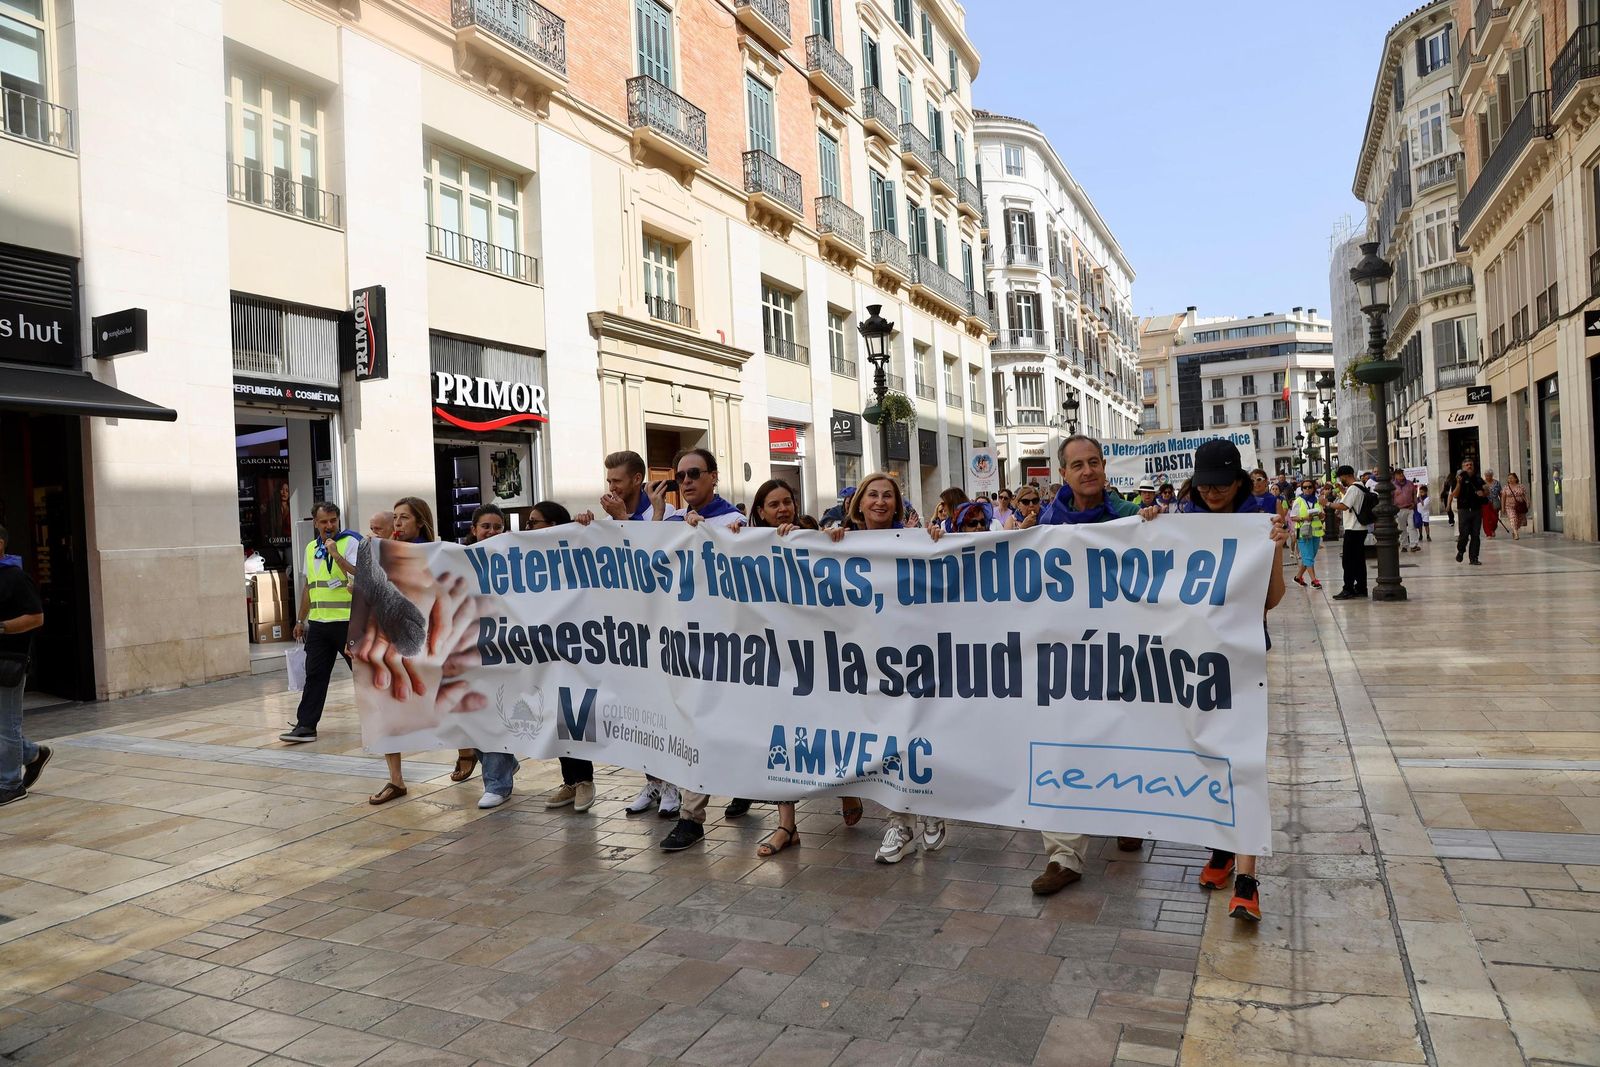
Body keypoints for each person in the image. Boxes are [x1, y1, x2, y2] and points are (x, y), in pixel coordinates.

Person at [1028, 435, 1162, 895]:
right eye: (1077, 465)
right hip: (1066, 653)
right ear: (1063, 473)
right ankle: (1064, 856)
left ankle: (1127, 816)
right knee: (1062, 745)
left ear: (1105, 468)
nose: (1087, 471)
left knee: (1121, 736)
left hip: (1122, 649)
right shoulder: (1046, 523)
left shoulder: (1130, 517)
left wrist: (1153, 525)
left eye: (1094, 462)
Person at [1179, 440, 1288, 922]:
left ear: (1240, 481)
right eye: (1205, 481)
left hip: (1240, 661)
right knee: (1204, 756)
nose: (1213, 490)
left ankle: (1247, 876)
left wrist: (1276, 550)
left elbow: (1272, 600)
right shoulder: (1182, 522)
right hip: (1189, 661)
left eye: (1222, 481)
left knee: (1241, 761)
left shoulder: (1257, 524)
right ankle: (1221, 850)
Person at [818, 473, 937, 864]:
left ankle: (914, 813)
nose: (881, 502)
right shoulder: (840, 541)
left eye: (888, 496)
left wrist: (939, 541)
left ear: (898, 506)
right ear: (859, 502)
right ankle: (907, 818)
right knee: (882, 740)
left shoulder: (917, 542)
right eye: (873, 495)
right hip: (862, 662)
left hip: (909, 657)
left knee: (910, 733)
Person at [577, 450, 681, 818]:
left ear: (637, 479)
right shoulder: (609, 517)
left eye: (617, 481)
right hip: (628, 632)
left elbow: (653, 562)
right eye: (608, 482)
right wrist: (588, 526)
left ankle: (672, 785)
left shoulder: (665, 513)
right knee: (638, 712)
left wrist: (622, 521)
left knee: (664, 709)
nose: (611, 487)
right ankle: (652, 781)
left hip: (664, 630)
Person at [659, 448, 748, 852]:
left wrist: (704, 533)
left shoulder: (735, 521)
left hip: (728, 644)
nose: (687, 482)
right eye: (681, 477)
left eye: (695, 473)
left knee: (731, 725)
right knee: (693, 726)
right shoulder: (670, 522)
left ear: (714, 476)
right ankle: (691, 817)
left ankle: (744, 784)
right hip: (682, 644)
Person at [368, 496, 440, 804]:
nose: (397, 524)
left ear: (420, 522)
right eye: (395, 518)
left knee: (445, 701)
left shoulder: (437, 554)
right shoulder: (382, 554)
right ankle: (395, 779)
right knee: (386, 705)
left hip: (429, 639)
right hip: (390, 640)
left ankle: (468, 751)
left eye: (404, 518)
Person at [278, 503, 362, 744]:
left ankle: (382, 719)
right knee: (314, 675)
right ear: (315, 523)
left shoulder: (351, 542)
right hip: (319, 624)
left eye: (333, 520)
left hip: (347, 623)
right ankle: (306, 725)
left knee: (362, 674)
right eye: (324, 521)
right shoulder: (310, 548)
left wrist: (336, 554)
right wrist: (300, 620)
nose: (329, 526)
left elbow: (358, 573)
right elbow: (309, 586)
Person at [0, 526, 47, 807]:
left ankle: (10, 784)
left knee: (7, 725)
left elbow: (37, 617)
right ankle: (32, 754)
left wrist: (2, 628)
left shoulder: (16, 578)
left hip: (9, 663)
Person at [1328, 466, 1370, 600]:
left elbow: (1344, 506)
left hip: (1353, 529)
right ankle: (1361, 587)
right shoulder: (1360, 486)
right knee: (1358, 561)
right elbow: (1352, 501)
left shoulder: (1353, 489)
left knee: (1348, 561)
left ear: (1345, 476)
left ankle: (1348, 589)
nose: (1341, 481)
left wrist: (1327, 504)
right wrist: (1342, 490)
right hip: (1360, 528)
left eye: (1341, 478)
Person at [1451, 458, 1487, 565]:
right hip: (1464, 510)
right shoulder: (1458, 479)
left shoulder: (1478, 479)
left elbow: (1486, 490)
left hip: (1476, 510)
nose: (1469, 466)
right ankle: (1461, 551)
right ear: (1463, 467)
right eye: (1466, 465)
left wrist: (1483, 493)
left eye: (1471, 464)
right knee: (1464, 534)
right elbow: (1455, 495)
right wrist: (1458, 483)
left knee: (1475, 535)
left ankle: (1474, 558)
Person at [1289, 479, 1323, 589]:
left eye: (1309, 487)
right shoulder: (1298, 500)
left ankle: (1298, 577)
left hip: (1316, 532)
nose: (1307, 489)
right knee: (1308, 557)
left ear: (1313, 488)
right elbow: (1292, 517)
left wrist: (1322, 515)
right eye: (1305, 487)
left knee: (1309, 557)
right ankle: (1314, 580)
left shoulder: (1317, 500)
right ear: (1302, 489)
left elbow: (1322, 514)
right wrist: (1304, 518)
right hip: (1303, 531)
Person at [1391, 468, 1418, 553]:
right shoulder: (1392, 485)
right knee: (1401, 528)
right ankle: (1404, 545)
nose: (1401, 475)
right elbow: (1391, 498)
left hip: (1410, 508)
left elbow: (1414, 494)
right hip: (1399, 510)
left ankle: (1413, 545)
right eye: (1399, 474)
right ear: (1395, 476)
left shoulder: (1410, 483)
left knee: (1412, 526)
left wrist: (1414, 503)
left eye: (1402, 473)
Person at [1501, 473, 1529, 540]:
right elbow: (1503, 498)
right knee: (1513, 518)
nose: (1510, 480)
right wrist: (1503, 508)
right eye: (1509, 478)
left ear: (1516, 479)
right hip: (1509, 506)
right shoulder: (1506, 488)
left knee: (1519, 521)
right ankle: (1516, 534)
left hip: (1520, 506)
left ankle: (1514, 530)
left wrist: (1528, 502)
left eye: (1511, 478)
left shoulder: (1521, 486)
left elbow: (1525, 495)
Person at [1483, 471, 1501, 539]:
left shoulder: (1496, 483)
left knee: (1494, 518)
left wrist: (1502, 502)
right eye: (1486, 475)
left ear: (1492, 475)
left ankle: (1492, 529)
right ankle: (1488, 533)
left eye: (1489, 475)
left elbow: (1500, 493)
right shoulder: (1482, 482)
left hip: (1495, 501)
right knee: (1486, 518)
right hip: (1485, 502)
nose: (1488, 477)